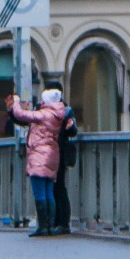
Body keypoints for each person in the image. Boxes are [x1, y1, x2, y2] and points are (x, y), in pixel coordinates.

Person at [7, 90, 68, 237]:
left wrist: (16, 102)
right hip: (53, 155)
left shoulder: (44, 114)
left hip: (39, 156)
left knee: (39, 193)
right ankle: (50, 225)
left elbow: (21, 115)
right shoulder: (57, 114)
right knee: (48, 192)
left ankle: (43, 226)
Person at [51, 95, 80, 235]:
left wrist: (70, 128)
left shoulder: (65, 111)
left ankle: (61, 222)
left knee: (58, 188)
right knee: (56, 188)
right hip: (53, 153)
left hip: (57, 154)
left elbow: (72, 130)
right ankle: (58, 222)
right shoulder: (63, 110)